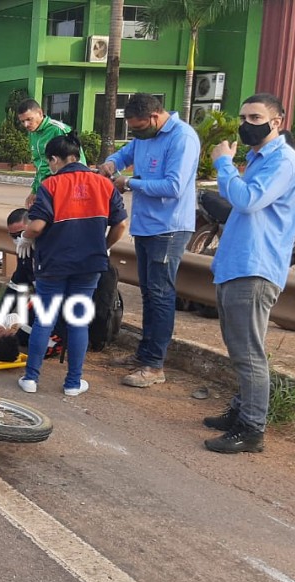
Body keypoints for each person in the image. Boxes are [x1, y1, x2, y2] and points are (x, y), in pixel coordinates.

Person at [201, 93, 295, 454]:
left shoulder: (283, 161)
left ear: (276, 122)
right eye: (243, 117)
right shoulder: (258, 159)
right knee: (239, 349)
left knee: (248, 353)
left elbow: (246, 201)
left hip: (256, 268)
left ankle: (251, 428)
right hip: (237, 264)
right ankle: (241, 410)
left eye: (255, 117)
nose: (246, 124)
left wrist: (223, 164)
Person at [98, 93, 200, 389]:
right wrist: (110, 165)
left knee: (160, 295)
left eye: (139, 127)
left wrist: (129, 182)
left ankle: (155, 365)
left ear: (155, 117)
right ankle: (144, 354)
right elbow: (124, 155)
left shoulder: (182, 138)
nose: (136, 133)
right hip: (145, 226)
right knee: (148, 294)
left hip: (168, 229)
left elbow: (174, 186)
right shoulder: (144, 136)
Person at [17, 133, 127, 396]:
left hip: (53, 264)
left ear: (55, 159)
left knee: (45, 319)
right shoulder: (104, 184)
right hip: (89, 265)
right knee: (78, 321)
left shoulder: (51, 185)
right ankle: (73, 383)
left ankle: (31, 379)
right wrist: (104, 246)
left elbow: (37, 226)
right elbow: (121, 224)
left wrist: (25, 237)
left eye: (50, 162)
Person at [17, 99, 85, 209]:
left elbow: (76, 161)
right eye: (22, 121)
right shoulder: (32, 134)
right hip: (46, 188)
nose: (26, 124)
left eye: (29, 119)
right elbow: (40, 165)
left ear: (40, 113)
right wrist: (35, 190)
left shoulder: (58, 130)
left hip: (64, 188)